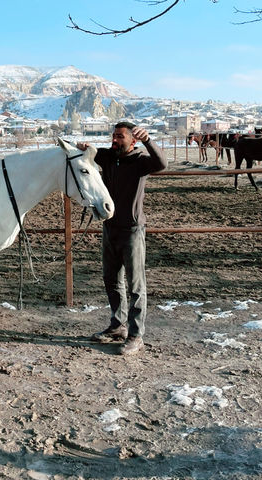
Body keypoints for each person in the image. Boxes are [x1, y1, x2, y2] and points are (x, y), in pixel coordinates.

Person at [77, 121, 167, 355]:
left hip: (132, 230)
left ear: (133, 140)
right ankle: (118, 326)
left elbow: (162, 163)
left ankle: (136, 336)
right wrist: (83, 147)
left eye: (120, 137)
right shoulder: (108, 157)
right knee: (111, 279)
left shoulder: (140, 162)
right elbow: (89, 155)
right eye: (113, 136)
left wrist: (149, 140)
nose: (115, 140)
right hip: (110, 227)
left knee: (136, 285)